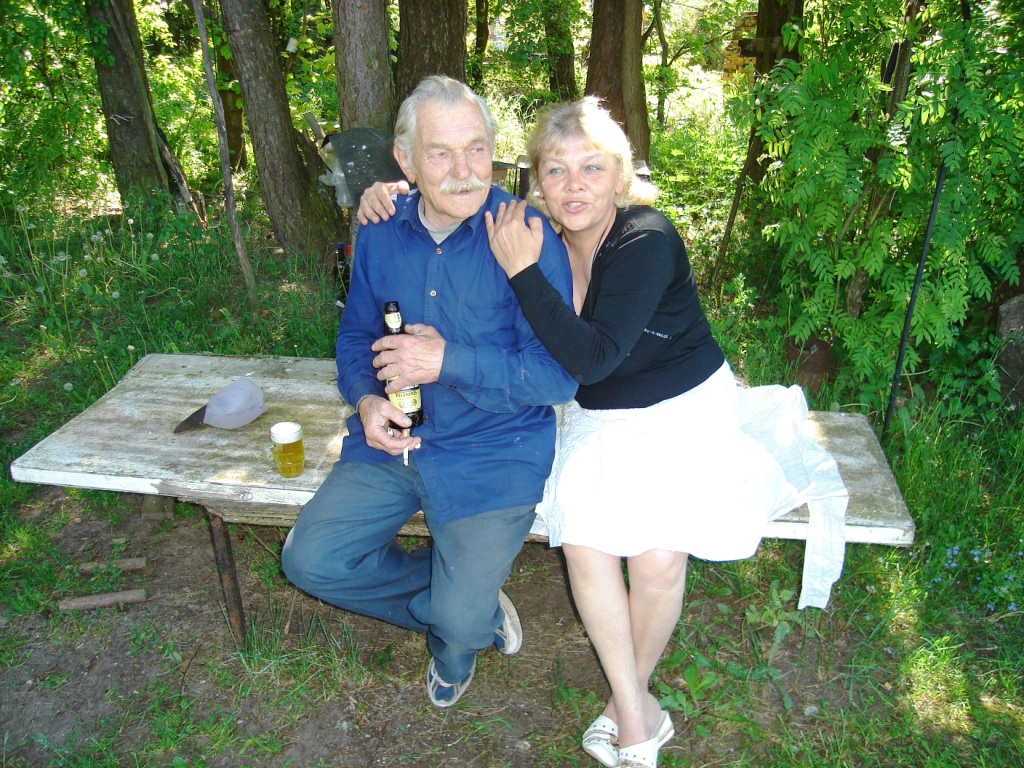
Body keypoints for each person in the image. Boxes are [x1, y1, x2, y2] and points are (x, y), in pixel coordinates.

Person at [360, 97, 793, 767]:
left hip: (683, 407)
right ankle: (638, 712)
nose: (574, 185)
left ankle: (629, 712)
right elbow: (452, 193)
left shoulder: (645, 238)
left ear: (620, 174)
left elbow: (592, 357)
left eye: (592, 167)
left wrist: (522, 271)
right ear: (537, 178)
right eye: (556, 169)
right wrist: (390, 192)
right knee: (587, 543)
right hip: (601, 416)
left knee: (658, 557)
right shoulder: (542, 236)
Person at [281, 75, 578, 710]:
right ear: (406, 160)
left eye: (477, 149)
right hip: (396, 443)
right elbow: (356, 336)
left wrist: (446, 361)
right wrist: (366, 400)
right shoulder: (381, 228)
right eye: (440, 153)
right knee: (311, 562)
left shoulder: (525, 234)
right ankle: (462, 602)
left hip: (493, 452)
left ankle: (458, 628)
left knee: (458, 626)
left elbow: (558, 376)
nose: (463, 172)